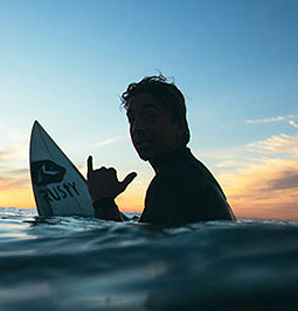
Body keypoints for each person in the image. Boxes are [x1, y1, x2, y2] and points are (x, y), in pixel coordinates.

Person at [87, 75, 234, 226]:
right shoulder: (193, 172)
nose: (137, 128)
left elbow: (137, 249)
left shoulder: (173, 181)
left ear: (180, 128)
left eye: (150, 116)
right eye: (132, 119)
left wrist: (102, 201)